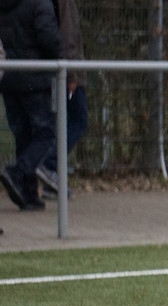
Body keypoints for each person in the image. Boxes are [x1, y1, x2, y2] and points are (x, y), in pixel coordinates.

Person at [0, 0, 61, 212]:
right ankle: (18, 172)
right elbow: (49, 39)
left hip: (9, 76)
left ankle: (27, 193)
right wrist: (59, 57)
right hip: (33, 77)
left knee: (23, 135)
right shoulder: (39, 4)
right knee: (46, 132)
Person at [36, 0, 89, 201]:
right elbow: (68, 36)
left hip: (60, 69)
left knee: (61, 121)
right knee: (78, 119)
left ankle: (53, 181)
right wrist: (72, 73)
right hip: (67, 71)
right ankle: (49, 163)